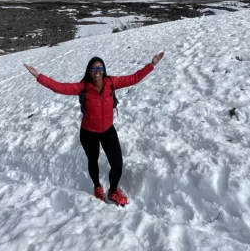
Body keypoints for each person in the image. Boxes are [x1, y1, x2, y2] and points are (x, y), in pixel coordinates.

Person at [24, 52, 164, 206]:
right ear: (89, 72)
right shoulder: (82, 87)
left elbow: (134, 78)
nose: (97, 71)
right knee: (93, 160)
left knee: (117, 164)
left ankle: (113, 191)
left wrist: (151, 65)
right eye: (93, 69)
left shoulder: (111, 82)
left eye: (100, 68)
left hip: (108, 130)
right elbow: (59, 87)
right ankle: (97, 187)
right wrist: (38, 76)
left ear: (104, 70)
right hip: (88, 132)